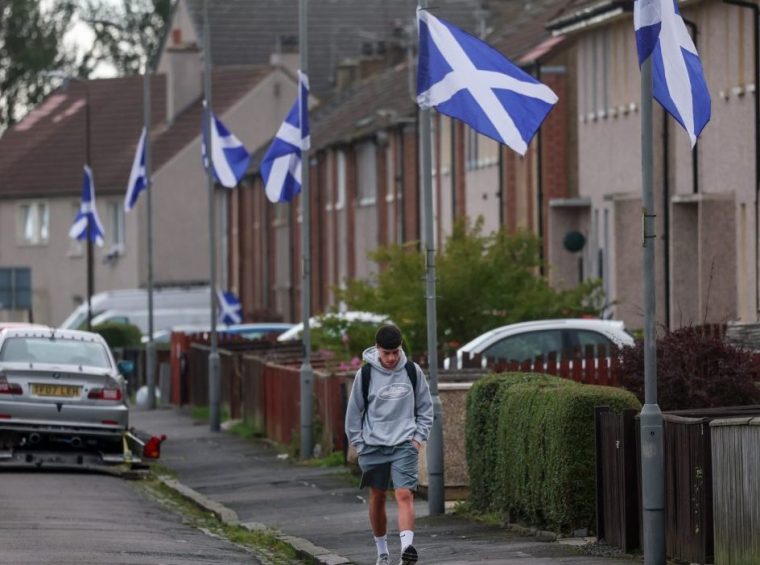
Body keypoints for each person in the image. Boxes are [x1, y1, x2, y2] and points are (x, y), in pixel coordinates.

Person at [345, 324, 434, 565]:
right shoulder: (365, 375)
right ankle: (382, 552)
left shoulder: (412, 371)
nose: (392, 358)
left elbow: (426, 409)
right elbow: (353, 415)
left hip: (404, 443)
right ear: (377, 349)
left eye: (396, 351)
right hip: (373, 446)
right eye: (387, 353)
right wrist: (360, 446)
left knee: (404, 493)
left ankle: (407, 550)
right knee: (378, 497)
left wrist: (417, 439)